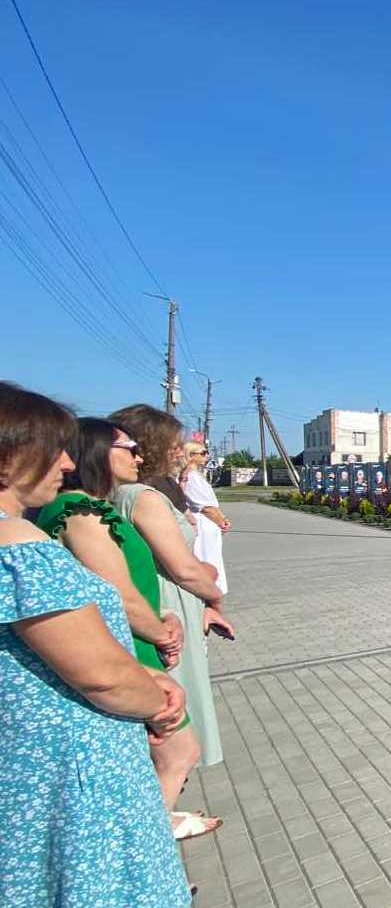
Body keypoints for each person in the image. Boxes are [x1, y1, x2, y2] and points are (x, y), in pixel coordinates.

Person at [0, 382, 191, 906]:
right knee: (101, 883)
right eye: (53, 449)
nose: (66, 462)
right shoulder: (17, 545)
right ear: (9, 455)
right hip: (77, 769)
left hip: (31, 763)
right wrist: (159, 699)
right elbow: (101, 676)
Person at [40, 420, 222, 840]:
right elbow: (117, 593)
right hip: (129, 643)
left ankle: (148, 830)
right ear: (96, 451)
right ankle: (145, 843)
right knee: (179, 749)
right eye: (128, 447)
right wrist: (161, 630)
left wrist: (166, 615)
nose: (137, 456)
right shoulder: (82, 513)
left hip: (139, 633)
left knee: (159, 750)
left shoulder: (97, 507)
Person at [111, 405, 231, 773]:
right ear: (149, 445)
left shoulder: (121, 493)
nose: (179, 451)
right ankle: (167, 788)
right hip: (169, 604)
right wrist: (214, 595)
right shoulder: (143, 497)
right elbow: (183, 569)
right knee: (177, 703)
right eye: (173, 444)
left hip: (162, 600)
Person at [182, 441, 230, 595]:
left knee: (212, 556)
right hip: (202, 523)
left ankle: (212, 589)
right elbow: (205, 506)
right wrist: (221, 522)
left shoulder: (196, 475)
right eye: (203, 453)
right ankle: (209, 590)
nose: (207, 455)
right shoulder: (190, 476)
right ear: (191, 456)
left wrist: (222, 518)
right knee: (207, 557)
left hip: (208, 523)